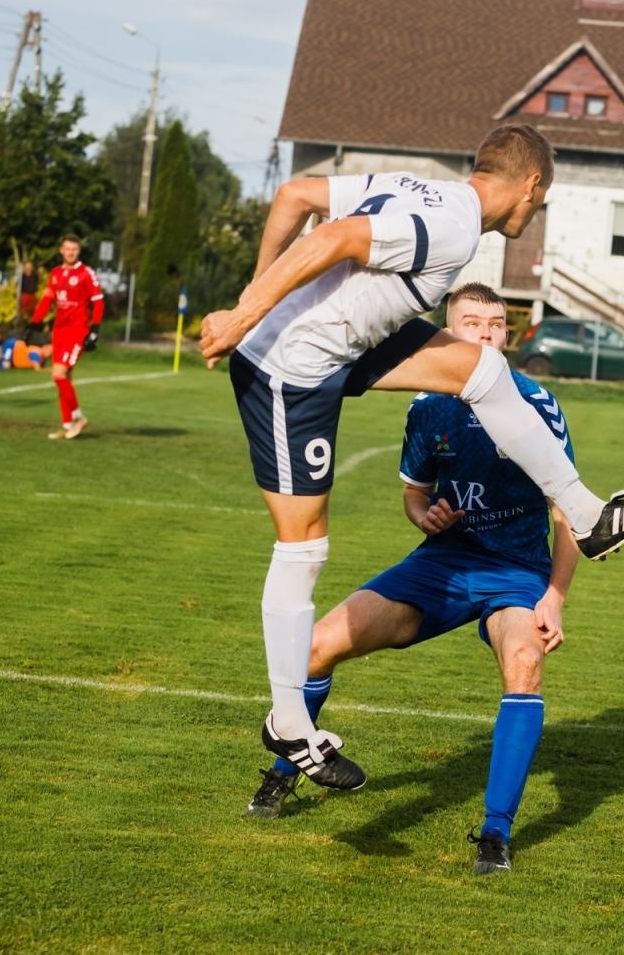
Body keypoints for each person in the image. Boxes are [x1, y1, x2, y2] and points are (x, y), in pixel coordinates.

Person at [200, 124, 624, 793]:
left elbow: (293, 194)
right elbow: (333, 236)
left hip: (348, 340)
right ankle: (288, 717)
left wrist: (258, 297)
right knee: (302, 546)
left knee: (482, 369)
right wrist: (249, 316)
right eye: (540, 204)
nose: (533, 215)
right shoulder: (455, 227)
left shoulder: (415, 186)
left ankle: (588, 514)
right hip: (293, 371)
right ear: (531, 185)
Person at [242, 283, 578, 876]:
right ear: (449, 335)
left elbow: (569, 509)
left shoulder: (537, 402)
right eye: (471, 323)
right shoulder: (427, 407)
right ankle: (283, 770)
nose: (484, 333)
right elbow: (415, 493)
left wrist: (554, 596)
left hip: (516, 573)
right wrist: (426, 515)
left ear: (508, 335)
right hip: (442, 565)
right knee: (318, 644)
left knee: (525, 663)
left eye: (495, 324)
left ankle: (495, 835)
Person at [29, 235, 104, 439]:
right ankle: (67, 424)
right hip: (59, 331)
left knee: (58, 375)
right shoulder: (55, 274)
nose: (70, 252)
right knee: (65, 378)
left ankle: (79, 418)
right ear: (61, 250)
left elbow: (98, 302)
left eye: (74, 249)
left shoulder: (86, 273)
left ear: (78, 252)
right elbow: (47, 300)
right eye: (67, 249)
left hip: (77, 330)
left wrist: (95, 329)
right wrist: (34, 323)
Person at [17, 260, 40, 328]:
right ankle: (22, 326)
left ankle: (31, 327)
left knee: (32, 313)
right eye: (27, 266)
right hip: (24, 295)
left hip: (32, 296)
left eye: (30, 266)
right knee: (23, 313)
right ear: (24, 267)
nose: (28, 268)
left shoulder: (35, 276)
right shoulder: (22, 277)